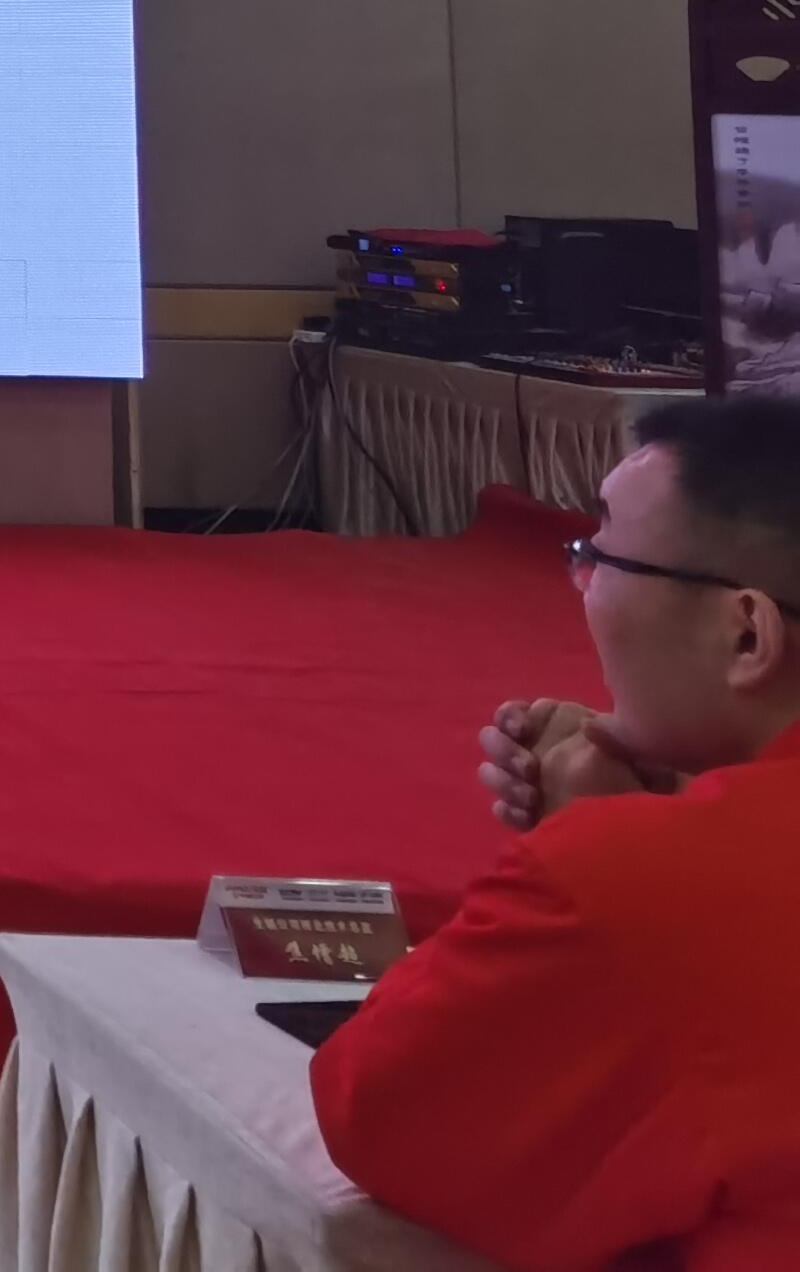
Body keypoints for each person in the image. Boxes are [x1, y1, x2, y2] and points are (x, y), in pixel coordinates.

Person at [308, 393, 800, 1267]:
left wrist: (602, 846)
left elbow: (379, 1111)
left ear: (746, 634)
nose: (582, 582)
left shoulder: (650, 876)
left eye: (598, 554)